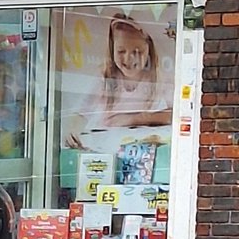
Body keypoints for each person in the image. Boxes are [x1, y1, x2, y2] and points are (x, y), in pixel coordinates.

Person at [64, 14, 172, 150]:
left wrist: (130, 119)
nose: (129, 58)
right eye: (121, 51)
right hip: (109, 148)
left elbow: (176, 115)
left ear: (149, 50)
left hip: (143, 152)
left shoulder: (160, 79)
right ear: (112, 49)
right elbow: (81, 113)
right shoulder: (105, 78)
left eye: (138, 51)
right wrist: (72, 132)